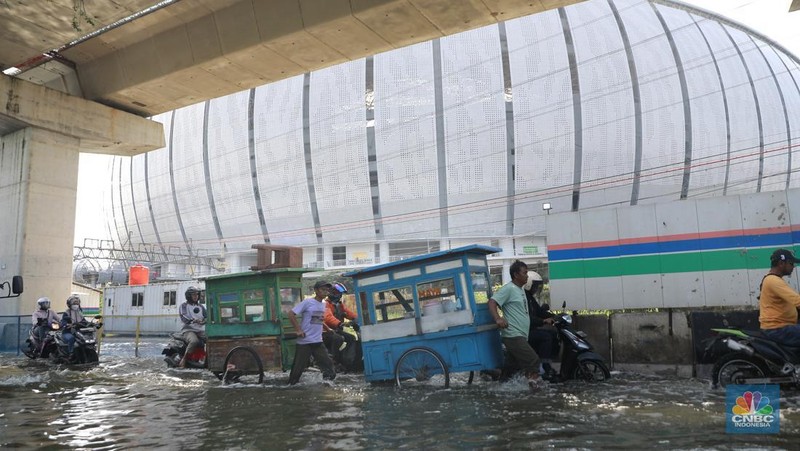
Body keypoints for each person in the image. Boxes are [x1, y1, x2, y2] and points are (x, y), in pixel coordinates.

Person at [488, 260, 543, 388]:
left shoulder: (520, 289)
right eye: (524, 273)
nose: (527, 276)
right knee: (533, 360)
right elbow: (492, 302)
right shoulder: (509, 288)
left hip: (521, 334)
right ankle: (535, 390)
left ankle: (499, 388)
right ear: (516, 274)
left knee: (511, 368)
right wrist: (498, 318)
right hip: (513, 335)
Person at [287, 280, 336, 385]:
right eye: (323, 289)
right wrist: (298, 330)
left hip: (317, 341)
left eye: (327, 290)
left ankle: (327, 386)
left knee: (329, 367)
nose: (325, 292)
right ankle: (291, 387)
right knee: (297, 371)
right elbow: (291, 314)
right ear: (316, 290)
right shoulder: (308, 302)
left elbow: (318, 319)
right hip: (305, 341)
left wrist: (327, 329)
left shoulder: (323, 304)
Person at [759, 248, 800, 346]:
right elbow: (797, 301)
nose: (793, 266)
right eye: (791, 263)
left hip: (781, 327)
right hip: (777, 329)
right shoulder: (773, 280)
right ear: (781, 263)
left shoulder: (774, 279)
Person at [523, 271, 559, 381]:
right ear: (529, 284)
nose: (536, 289)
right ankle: (544, 366)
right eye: (535, 286)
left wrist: (555, 316)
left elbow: (539, 311)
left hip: (531, 329)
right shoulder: (524, 297)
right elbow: (528, 317)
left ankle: (548, 361)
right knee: (545, 336)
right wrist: (543, 321)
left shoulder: (530, 298)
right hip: (525, 331)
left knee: (552, 334)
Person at [322, 282, 358, 361]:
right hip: (325, 331)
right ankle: (333, 360)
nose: (340, 295)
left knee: (351, 338)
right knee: (338, 338)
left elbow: (348, 313)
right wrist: (339, 323)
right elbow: (328, 317)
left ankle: (346, 359)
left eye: (340, 294)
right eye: (338, 293)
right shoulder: (326, 304)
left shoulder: (339, 304)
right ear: (332, 293)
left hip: (336, 330)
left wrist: (357, 318)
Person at [178, 286, 207, 368]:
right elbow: (184, 317)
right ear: (188, 296)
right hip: (188, 330)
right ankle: (184, 359)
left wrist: (204, 321)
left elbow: (206, 316)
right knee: (194, 341)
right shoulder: (184, 306)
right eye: (193, 295)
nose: (196, 296)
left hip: (200, 330)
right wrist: (193, 320)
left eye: (197, 295)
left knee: (212, 339)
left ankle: (205, 358)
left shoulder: (201, 307)